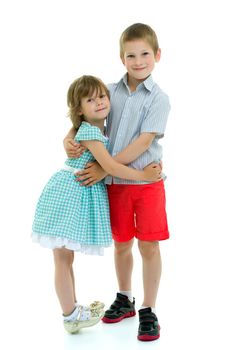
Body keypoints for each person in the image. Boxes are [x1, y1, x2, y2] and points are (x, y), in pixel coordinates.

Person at [64, 23, 170, 342]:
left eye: (145, 54)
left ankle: (149, 308)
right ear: (121, 58)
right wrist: (69, 137)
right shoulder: (109, 91)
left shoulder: (159, 99)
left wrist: (103, 166)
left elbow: (142, 142)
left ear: (157, 55)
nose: (138, 61)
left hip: (147, 182)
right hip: (115, 186)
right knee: (122, 243)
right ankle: (125, 297)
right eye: (131, 55)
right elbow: (85, 117)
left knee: (148, 244)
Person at [32, 74, 162, 335]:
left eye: (102, 96)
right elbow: (111, 166)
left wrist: (70, 133)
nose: (100, 102)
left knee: (64, 258)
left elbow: (82, 134)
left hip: (72, 191)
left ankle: (72, 312)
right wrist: (144, 176)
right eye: (91, 100)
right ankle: (70, 314)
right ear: (80, 109)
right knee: (62, 258)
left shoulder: (95, 128)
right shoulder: (91, 131)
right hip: (69, 193)